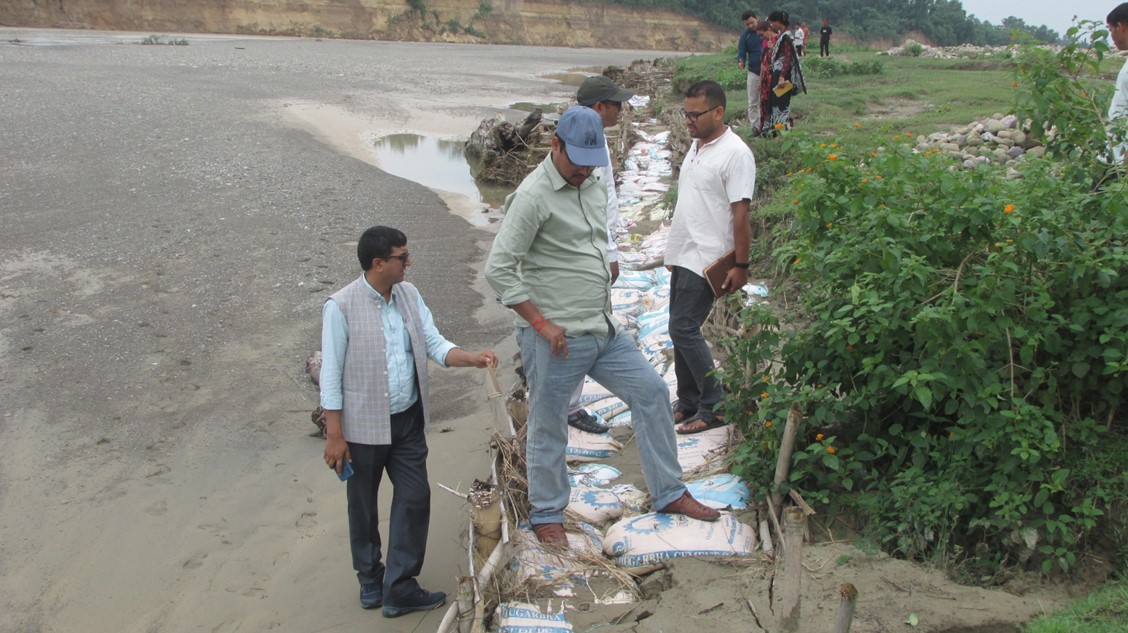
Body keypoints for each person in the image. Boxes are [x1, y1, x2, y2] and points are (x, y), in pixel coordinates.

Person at [485, 106, 721, 547]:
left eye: (590, 163)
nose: (583, 172)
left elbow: (595, 236)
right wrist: (540, 322)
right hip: (556, 340)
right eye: (576, 163)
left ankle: (669, 492)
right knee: (549, 423)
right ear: (555, 145)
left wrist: (604, 262)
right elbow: (499, 269)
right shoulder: (533, 196)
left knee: (651, 392)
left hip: (602, 327)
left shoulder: (591, 180)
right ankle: (547, 512)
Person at [320, 226, 498, 617]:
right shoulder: (341, 305)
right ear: (378, 263)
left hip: (407, 422)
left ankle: (399, 586)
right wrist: (335, 435)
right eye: (402, 257)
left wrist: (470, 358)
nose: (409, 263)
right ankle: (370, 580)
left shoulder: (409, 295)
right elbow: (331, 374)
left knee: (415, 497)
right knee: (363, 505)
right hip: (362, 427)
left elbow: (432, 343)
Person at [666, 81, 756, 435]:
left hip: (708, 255)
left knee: (683, 327)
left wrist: (741, 265)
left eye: (695, 114)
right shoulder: (697, 145)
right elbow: (692, 202)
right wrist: (673, 248)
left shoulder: (735, 154)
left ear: (718, 112)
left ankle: (714, 406)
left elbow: (741, 215)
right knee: (678, 329)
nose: (688, 120)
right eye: (685, 112)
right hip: (685, 251)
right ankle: (688, 401)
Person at [561, 75, 636, 435]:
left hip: (594, 246)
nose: (621, 109)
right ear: (597, 108)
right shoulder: (580, 145)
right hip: (585, 250)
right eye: (615, 104)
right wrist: (608, 252)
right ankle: (569, 406)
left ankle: (567, 402)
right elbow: (598, 201)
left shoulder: (594, 140)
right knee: (580, 326)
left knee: (587, 322)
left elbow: (605, 198)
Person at [760, 11, 807, 135]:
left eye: (772, 22)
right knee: (776, 101)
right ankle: (777, 130)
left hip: (782, 76)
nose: (771, 25)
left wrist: (781, 76)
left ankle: (782, 131)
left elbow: (788, 57)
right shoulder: (783, 35)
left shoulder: (786, 36)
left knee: (781, 103)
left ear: (778, 22)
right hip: (778, 74)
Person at [1100, 2, 1128, 188]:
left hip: (1120, 161)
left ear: (1121, 26)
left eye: (1111, 30)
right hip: (1112, 157)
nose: (1111, 37)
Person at [736, 11, 763, 127]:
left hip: (768, 72)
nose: (751, 26)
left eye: (752, 22)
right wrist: (741, 61)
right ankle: (755, 127)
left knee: (767, 101)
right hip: (753, 72)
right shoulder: (745, 36)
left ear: (757, 18)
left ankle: (767, 125)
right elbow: (741, 52)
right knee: (753, 102)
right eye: (748, 24)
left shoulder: (766, 30)